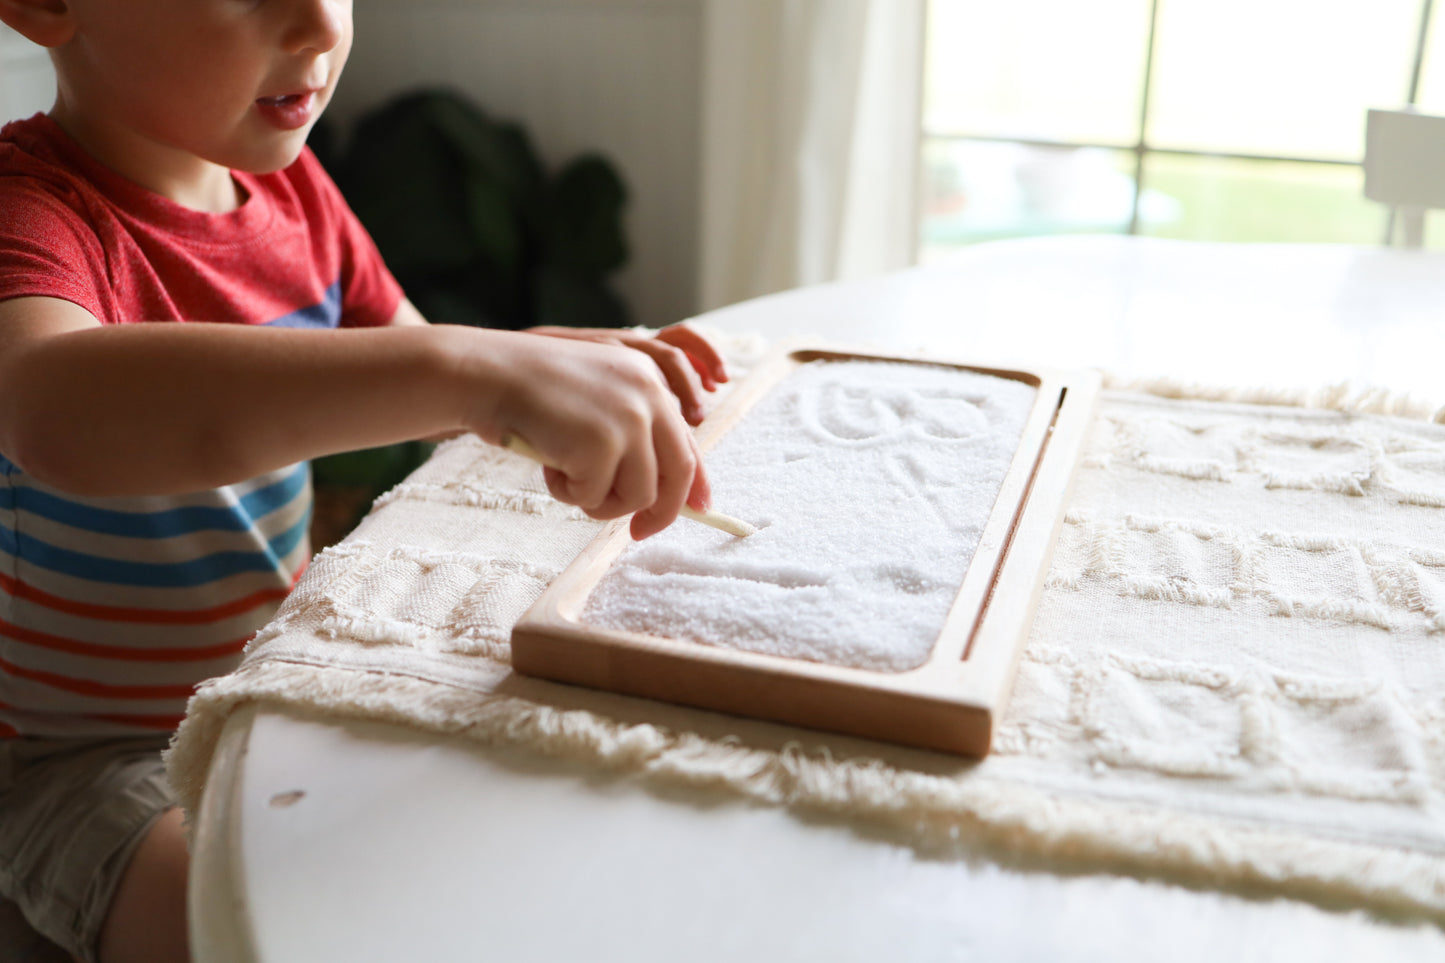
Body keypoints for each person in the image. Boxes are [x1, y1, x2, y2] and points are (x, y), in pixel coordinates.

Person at [0, 1, 729, 960]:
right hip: (82, 760)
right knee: (262, 925)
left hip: (279, 690)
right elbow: (55, 409)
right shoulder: (31, 210)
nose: (317, 22)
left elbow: (419, 376)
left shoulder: (300, 193)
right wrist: (471, 372)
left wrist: (542, 369)